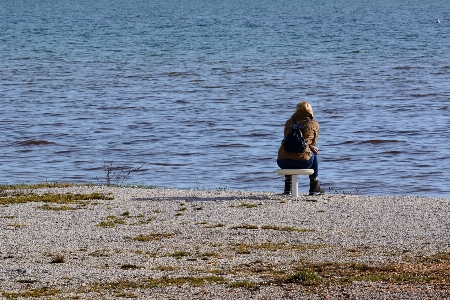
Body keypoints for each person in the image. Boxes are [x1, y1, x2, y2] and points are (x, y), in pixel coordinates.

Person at [277, 101, 325, 195]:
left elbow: (288, 141)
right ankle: (314, 188)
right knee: (313, 154)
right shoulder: (313, 123)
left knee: (289, 152)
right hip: (303, 162)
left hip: (283, 162)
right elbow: (314, 142)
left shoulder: (289, 122)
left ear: (296, 110)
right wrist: (309, 146)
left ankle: (287, 189)